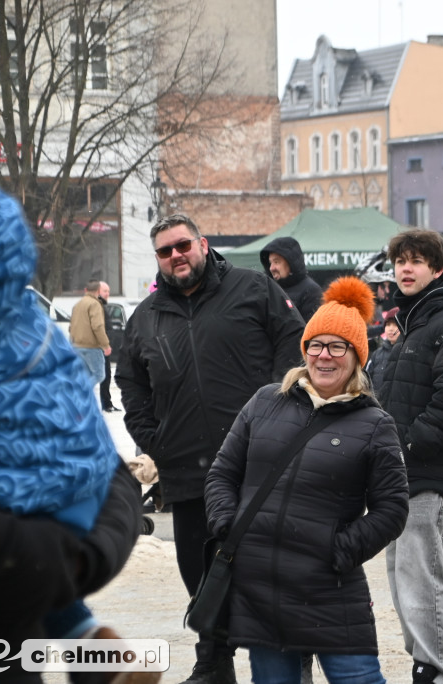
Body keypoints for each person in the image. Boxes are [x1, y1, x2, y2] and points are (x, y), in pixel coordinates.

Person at [116, 213, 305, 684]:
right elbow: (130, 384)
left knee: (271, 572)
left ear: (203, 244)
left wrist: (281, 420)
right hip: (186, 473)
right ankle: (214, 663)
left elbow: (295, 347)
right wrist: (155, 441)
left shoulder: (254, 290)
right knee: (200, 575)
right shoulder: (146, 317)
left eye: (183, 245)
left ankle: (288, 665)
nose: (176, 256)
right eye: (165, 250)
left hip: (260, 464)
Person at [0, 177, 144, 684]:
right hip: (73, 500)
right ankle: (90, 644)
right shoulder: (34, 328)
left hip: (24, 525)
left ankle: (86, 641)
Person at [205, 277, 408, 684]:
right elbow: (222, 473)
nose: (324, 356)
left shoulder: (374, 423)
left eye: (338, 346)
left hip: (330, 587)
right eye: (316, 344)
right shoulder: (265, 402)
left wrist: (338, 550)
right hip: (262, 587)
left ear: (357, 356)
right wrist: (230, 526)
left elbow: (391, 509)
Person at [374, 230, 443, 684]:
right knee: (407, 583)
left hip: (428, 476)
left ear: (437, 269)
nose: (406, 268)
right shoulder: (415, 323)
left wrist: (401, 449)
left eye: (417, 261)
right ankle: (428, 662)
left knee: (428, 583)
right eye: (401, 260)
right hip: (401, 478)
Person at [259, 236, 324, 321]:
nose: (271, 268)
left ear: (291, 263)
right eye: (270, 263)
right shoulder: (268, 289)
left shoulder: (311, 291)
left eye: (276, 262)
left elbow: (309, 330)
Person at [70, 279, 112, 388]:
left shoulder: (77, 305)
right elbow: (97, 326)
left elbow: (72, 327)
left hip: (77, 345)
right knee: (99, 375)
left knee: (86, 374)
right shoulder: (95, 304)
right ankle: (80, 390)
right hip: (92, 346)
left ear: (85, 290)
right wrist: (105, 345)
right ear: (98, 291)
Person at [97, 281, 121, 412]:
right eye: (105, 291)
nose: (107, 294)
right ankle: (106, 403)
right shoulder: (98, 306)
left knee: (105, 374)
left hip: (102, 345)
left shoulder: (101, 306)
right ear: (98, 291)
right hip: (100, 347)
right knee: (103, 375)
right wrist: (105, 344)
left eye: (108, 292)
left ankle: (107, 403)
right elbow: (99, 327)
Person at [365, 307, 399, 391]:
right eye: (388, 324)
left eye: (395, 324)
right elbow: (366, 382)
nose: (391, 329)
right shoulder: (377, 354)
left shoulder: (408, 353)